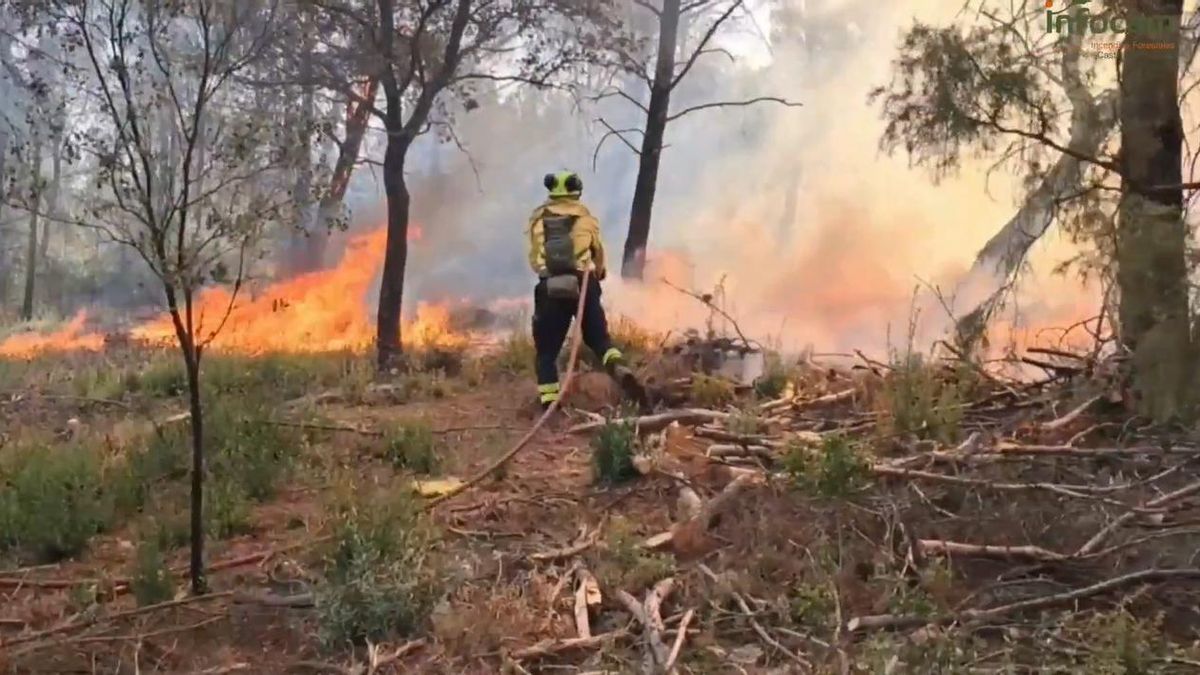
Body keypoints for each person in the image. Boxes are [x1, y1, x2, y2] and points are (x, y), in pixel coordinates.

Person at [525, 170, 642, 410]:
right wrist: (599, 272)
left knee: (546, 352)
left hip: (550, 288)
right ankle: (617, 367)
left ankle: (549, 404)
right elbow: (598, 255)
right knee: (599, 340)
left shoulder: (537, 219)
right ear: (576, 190)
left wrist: (547, 271)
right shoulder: (587, 219)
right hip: (584, 284)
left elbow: (535, 259)